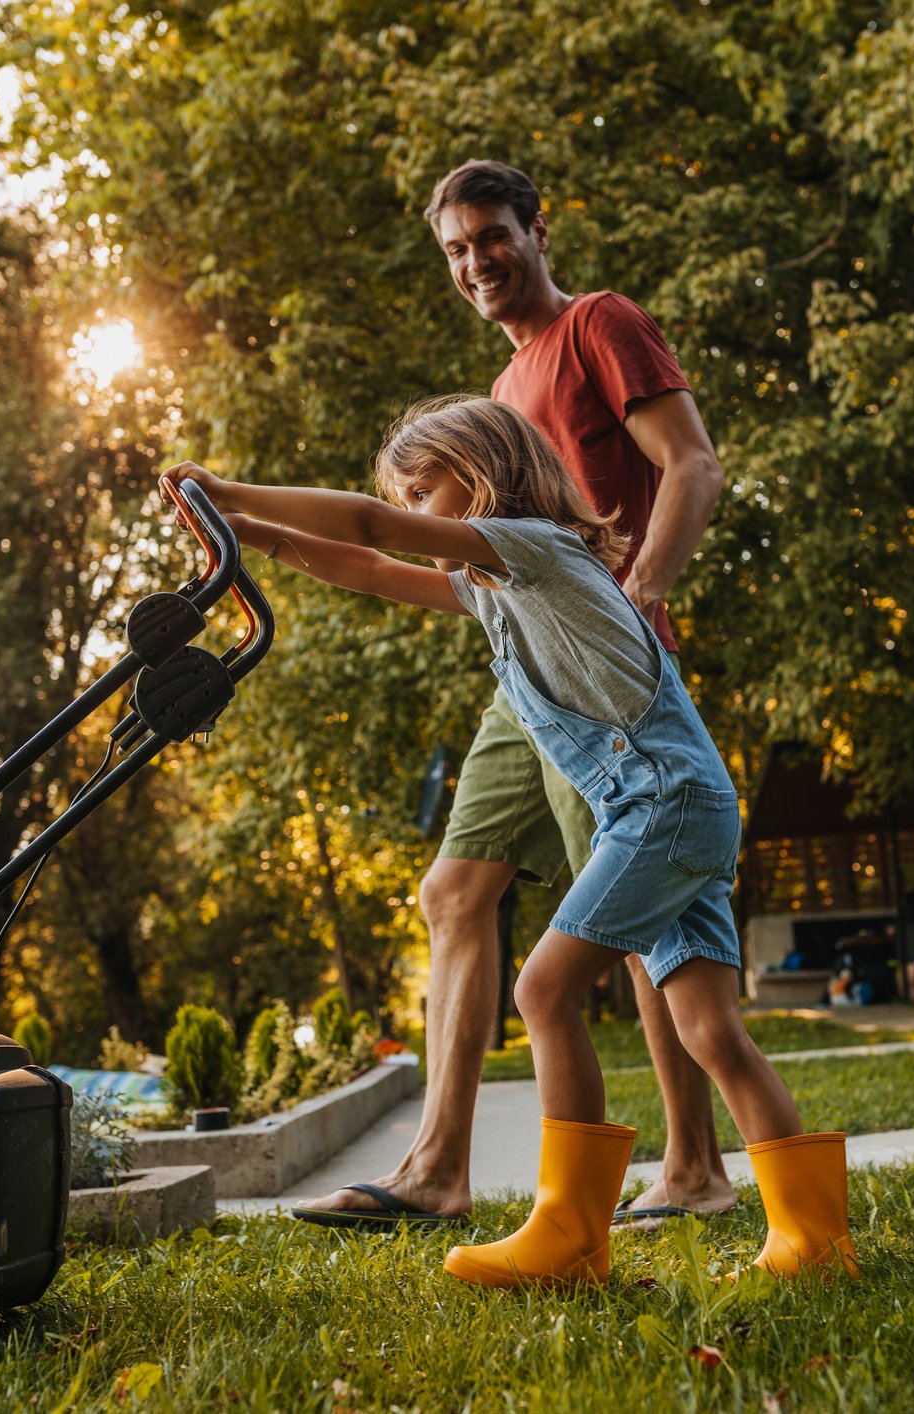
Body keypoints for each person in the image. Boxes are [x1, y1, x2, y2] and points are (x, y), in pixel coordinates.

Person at [173, 395, 858, 1286]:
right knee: (710, 1030)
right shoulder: (492, 590)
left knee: (542, 993)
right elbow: (370, 565)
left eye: (426, 490)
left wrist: (226, 490)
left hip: (661, 803)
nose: (415, 513)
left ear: (483, 471)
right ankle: (814, 1240)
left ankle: (570, 1236)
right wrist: (247, 538)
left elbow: (371, 527)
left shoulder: (537, 546)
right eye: (410, 497)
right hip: (669, 807)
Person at [291, 159, 735, 1230]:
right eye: (456, 248)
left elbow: (691, 465)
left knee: (632, 910)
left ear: (540, 229)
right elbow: (457, 566)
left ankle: (694, 1166)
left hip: (604, 688)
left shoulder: (598, 325)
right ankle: (438, 1169)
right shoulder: (497, 397)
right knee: (452, 890)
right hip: (522, 685)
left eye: (493, 236)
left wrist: (643, 594)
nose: (477, 261)